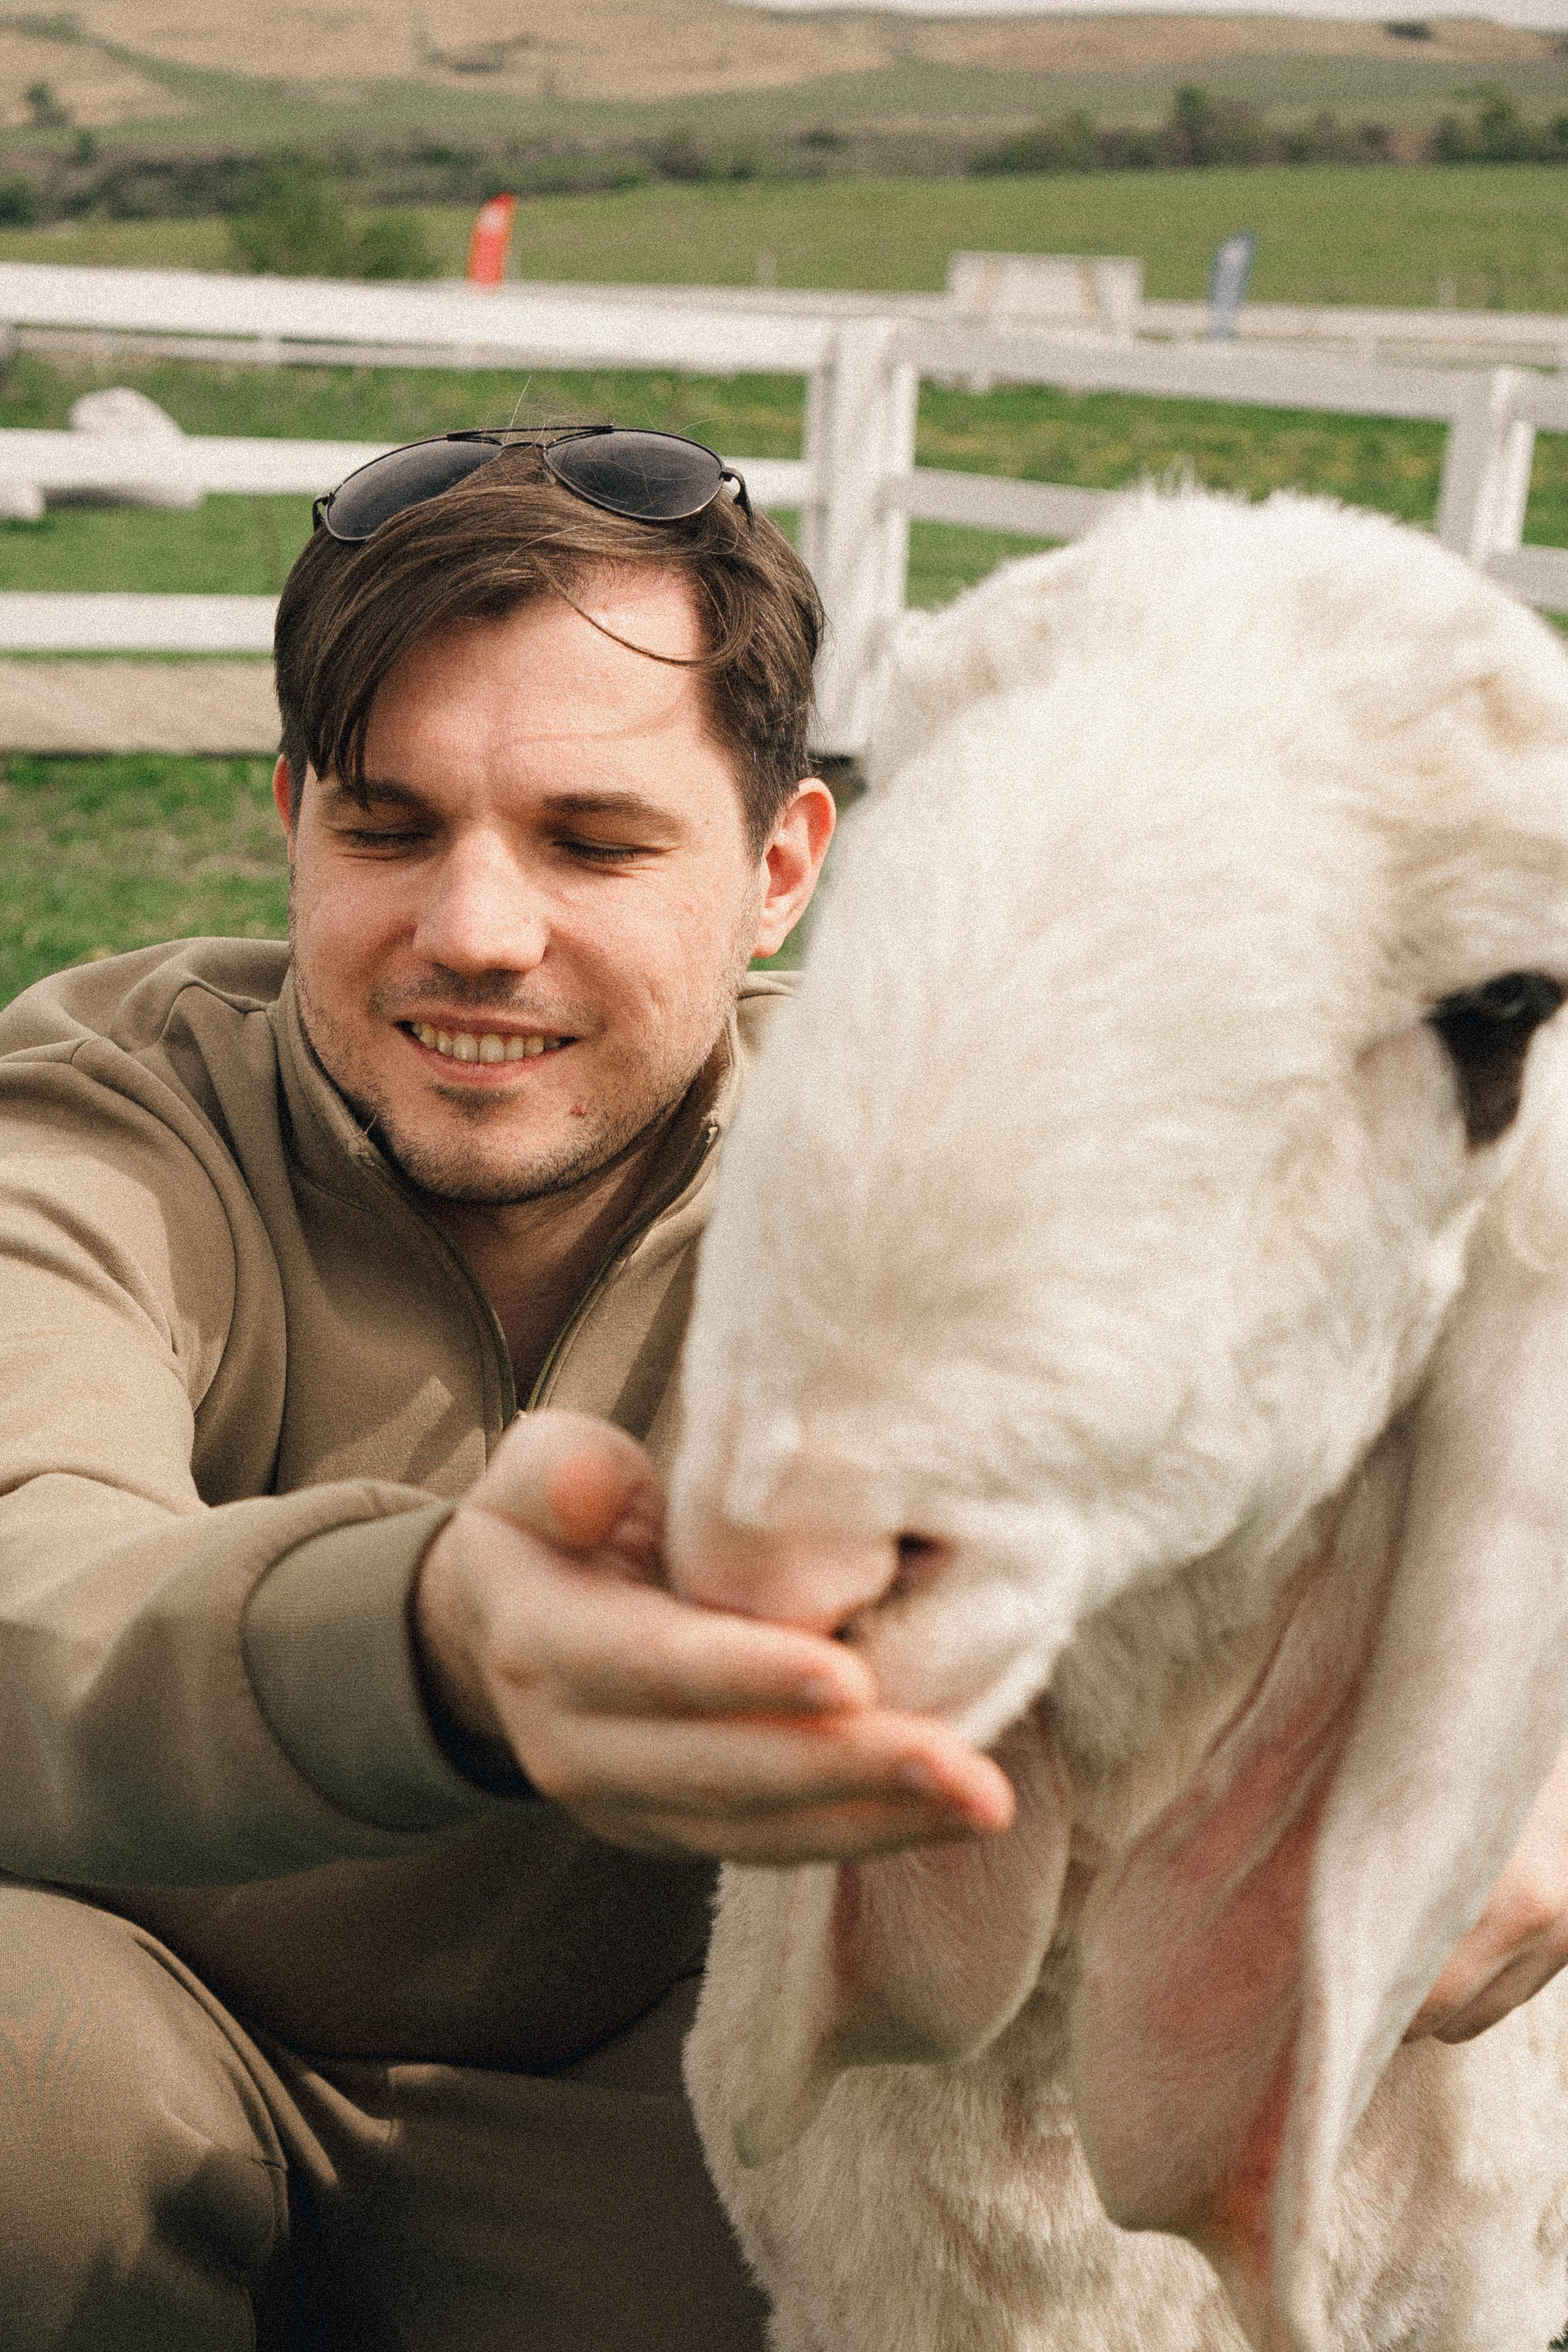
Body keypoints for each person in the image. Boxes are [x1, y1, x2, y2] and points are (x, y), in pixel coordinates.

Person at [0, 424, 1561, 2352]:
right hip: (152, 2027)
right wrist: (437, 1646)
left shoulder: (946, 1174)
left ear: (786, 868)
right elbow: (26, 1575)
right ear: (292, 822)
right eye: (388, 826)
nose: (476, 929)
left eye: (595, 840)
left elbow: (1399, 1344)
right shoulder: (109, 1117)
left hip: (647, 2099)